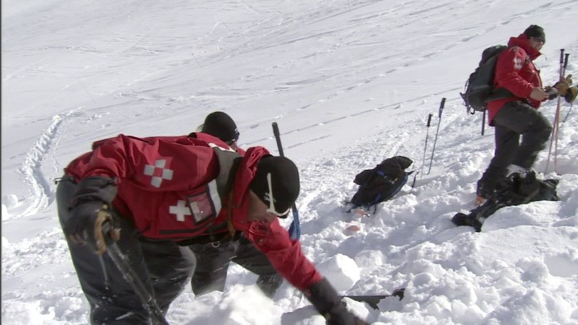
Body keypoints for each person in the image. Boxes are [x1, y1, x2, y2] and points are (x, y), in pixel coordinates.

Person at [56, 132, 367, 324]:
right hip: (93, 197)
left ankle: (144, 318)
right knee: (122, 306)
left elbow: (293, 262)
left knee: (178, 264)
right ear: (254, 192)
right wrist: (92, 197)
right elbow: (120, 150)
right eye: (267, 211)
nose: (267, 222)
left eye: (275, 215)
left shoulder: (253, 212)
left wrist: (335, 311)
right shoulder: (200, 165)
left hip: (144, 220)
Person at [475, 25, 573, 205]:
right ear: (528, 38)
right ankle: (515, 179)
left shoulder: (524, 58)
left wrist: (554, 91)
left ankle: (485, 192)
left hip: (503, 109)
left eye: (543, 43)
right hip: (508, 105)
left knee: (506, 153)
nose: (540, 45)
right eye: (537, 40)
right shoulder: (516, 51)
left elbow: (532, 93)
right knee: (540, 128)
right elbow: (507, 77)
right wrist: (530, 90)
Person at [189, 111, 282, 297]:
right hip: (209, 244)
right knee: (208, 299)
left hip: (238, 236)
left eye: (235, 140)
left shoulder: (239, 159)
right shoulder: (195, 162)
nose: (235, 146)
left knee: (277, 268)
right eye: (230, 142)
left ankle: (253, 311)